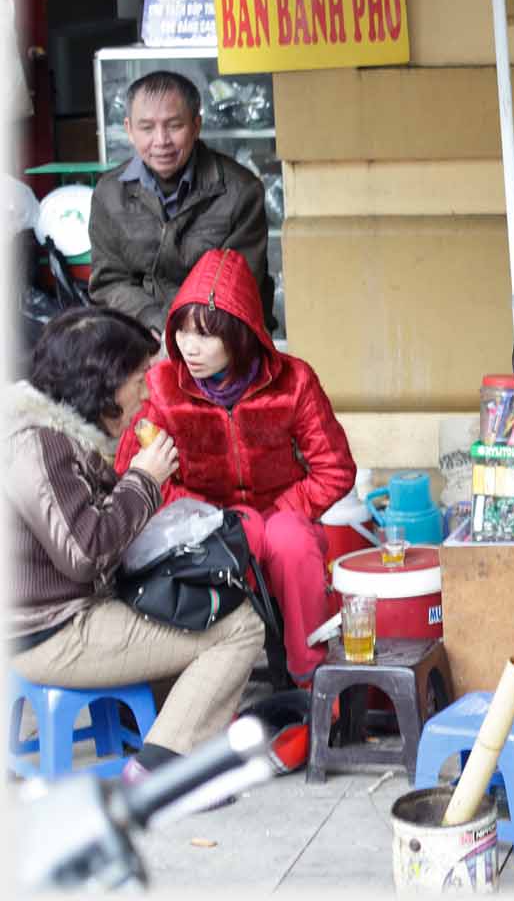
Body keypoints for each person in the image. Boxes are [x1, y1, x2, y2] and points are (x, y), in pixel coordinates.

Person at [5, 306, 266, 781]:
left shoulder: (52, 433)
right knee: (239, 627)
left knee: (189, 607)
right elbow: (87, 552)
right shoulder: (41, 446)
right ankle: (160, 769)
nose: (146, 393)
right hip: (54, 632)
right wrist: (144, 479)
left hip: (51, 618)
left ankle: (172, 738)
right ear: (102, 384)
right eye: (139, 378)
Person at [116, 248, 353, 683]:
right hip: (203, 528)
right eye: (182, 332)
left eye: (205, 336)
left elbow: (334, 468)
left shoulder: (294, 381)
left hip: (284, 516)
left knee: (291, 540)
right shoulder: (161, 389)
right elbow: (137, 473)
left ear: (241, 334)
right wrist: (218, 519)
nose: (189, 347)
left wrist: (284, 509)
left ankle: (315, 679)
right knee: (231, 546)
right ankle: (216, 691)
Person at [89, 70, 273, 336]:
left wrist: (182, 334)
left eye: (174, 126)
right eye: (147, 128)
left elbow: (237, 287)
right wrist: (158, 324)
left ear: (196, 125)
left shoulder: (240, 190)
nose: (161, 141)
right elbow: (109, 283)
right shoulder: (109, 193)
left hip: (220, 336)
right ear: (129, 130)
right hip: (143, 334)